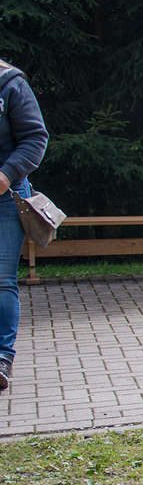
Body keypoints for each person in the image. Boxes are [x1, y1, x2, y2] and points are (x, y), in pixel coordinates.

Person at [0, 61, 49, 394]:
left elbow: (35, 137)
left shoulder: (11, 84)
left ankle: (2, 358)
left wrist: (5, 175)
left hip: (6, 196)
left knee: (1, 279)